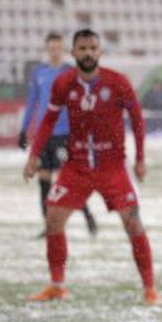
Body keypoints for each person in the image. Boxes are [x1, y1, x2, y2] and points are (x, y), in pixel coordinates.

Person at [22, 30, 157, 304]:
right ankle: (57, 286)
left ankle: (149, 289)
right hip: (77, 165)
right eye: (82, 48)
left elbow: (137, 118)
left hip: (112, 166)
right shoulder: (64, 83)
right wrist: (33, 155)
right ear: (73, 53)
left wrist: (140, 158)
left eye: (92, 47)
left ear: (100, 52)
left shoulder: (117, 82)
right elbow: (48, 119)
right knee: (53, 219)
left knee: (133, 222)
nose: (87, 52)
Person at [19, 32, 98, 237]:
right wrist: (24, 129)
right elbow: (33, 103)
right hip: (44, 135)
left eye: (58, 48)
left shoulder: (72, 73)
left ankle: (87, 215)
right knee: (43, 179)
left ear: (63, 50)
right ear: (47, 49)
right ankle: (49, 227)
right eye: (52, 48)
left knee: (68, 182)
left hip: (65, 134)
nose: (55, 52)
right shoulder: (39, 73)